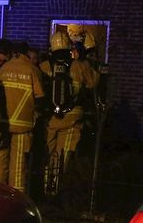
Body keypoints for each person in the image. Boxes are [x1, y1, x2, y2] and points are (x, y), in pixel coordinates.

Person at [41, 30, 99, 197]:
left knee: (48, 152)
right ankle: (57, 192)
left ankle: (45, 189)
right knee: (63, 155)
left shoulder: (44, 66)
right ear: (69, 47)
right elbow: (93, 83)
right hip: (73, 117)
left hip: (50, 118)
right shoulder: (79, 66)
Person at [0, 41, 44, 193]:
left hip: (2, 123)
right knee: (19, 163)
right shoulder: (32, 70)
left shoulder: (1, 68)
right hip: (23, 124)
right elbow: (40, 99)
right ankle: (17, 196)